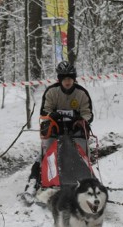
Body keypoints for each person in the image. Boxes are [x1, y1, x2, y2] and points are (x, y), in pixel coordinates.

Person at [23, 61, 94, 201]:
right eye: (64, 78)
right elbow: (44, 111)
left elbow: (88, 114)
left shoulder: (81, 94)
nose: (67, 82)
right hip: (54, 129)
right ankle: (33, 182)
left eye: (70, 78)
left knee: (83, 155)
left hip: (75, 130)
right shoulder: (52, 92)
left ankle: (87, 181)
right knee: (45, 155)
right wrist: (51, 116)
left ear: (74, 79)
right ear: (60, 79)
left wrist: (81, 120)